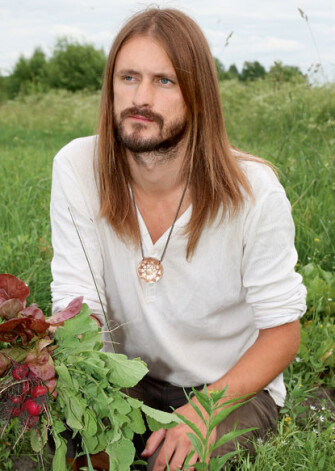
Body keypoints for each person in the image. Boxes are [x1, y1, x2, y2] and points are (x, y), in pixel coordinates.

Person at [49, 7, 306, 470]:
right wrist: (97, 394)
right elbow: (78, 301)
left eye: (163, 81)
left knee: (179, 465)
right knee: (80, 449)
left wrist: (201, 416)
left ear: (198, 96)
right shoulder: (77, 167)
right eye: (128, 77)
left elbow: (283, 333)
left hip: (229, 388)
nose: (140, 97)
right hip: (128, 379)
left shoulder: (254, 190)